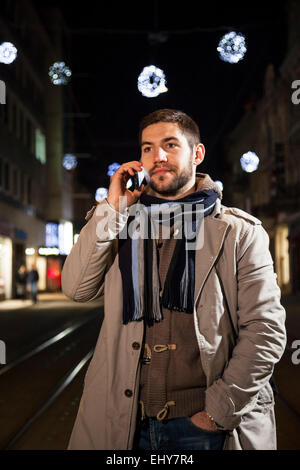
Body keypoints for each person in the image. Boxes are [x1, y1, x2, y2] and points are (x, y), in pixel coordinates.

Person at [61, 108, 286, 450]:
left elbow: (265, 330)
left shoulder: (238, 232)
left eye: (170, 144)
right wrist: (111, 208)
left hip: (204, 427)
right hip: (125, 422)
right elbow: (76, 288)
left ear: (197, 153)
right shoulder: (121, 223)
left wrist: (216, 413)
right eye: (147, 148)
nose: (158, 156)